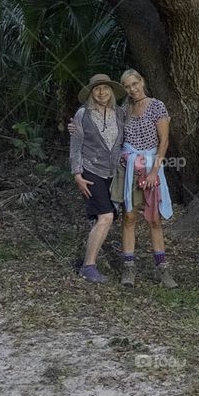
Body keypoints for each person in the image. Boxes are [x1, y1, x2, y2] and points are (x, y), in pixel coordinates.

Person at [111, 69, 177, 288]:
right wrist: (78, 127)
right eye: (127, 86)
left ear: (142, 82)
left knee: (154, 219)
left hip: (151, 166)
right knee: (129, 217)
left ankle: (162, 269)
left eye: (135, 83)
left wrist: (153, 173)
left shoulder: (157, 106)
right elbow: (110, 132)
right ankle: (128, 268)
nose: (132, 89)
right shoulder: (124, 109)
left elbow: (164, 142)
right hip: (129, 166)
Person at [69, 73, 126, 283]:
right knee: (106, 217)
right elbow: (75, 146)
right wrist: (77, 174)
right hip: (90, 170)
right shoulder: (82, 114)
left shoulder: (119, 113)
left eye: (105, 88)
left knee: (100, 219)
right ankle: (89, 267)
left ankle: (87, 262)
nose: (101, 92)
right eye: (96, 88)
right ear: (91, 92)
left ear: (111, 91)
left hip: (113, 172)